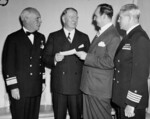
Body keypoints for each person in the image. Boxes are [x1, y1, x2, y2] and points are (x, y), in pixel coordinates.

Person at [42, 8, 90, 119]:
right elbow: (45, 58)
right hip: (59, 86)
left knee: (76, 116)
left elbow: (89, 61)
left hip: (77, 86)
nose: (75, 20)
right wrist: (54, 58)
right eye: (71, 17)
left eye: (76, 17)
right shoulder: (53, 36)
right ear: (64, 19)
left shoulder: (84, 37)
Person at [75, 3, 120, 119]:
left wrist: (87, 57)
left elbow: (110, 62)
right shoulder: (102, 33)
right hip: (90, 86)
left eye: (96, 16)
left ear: (104, 16)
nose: (94, 19)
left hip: (99, 89)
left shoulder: (113, 36)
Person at [2, 7, 46, 119]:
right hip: (20, 88)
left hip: (36, 87)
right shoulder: (13, 38)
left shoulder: (41, 37)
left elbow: (41, 62)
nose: (40, 21)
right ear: (25, 19)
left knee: (33, 116)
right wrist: (13, 87)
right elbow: (8, 64)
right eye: (37, 18)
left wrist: (43, 81)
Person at [112, 4, 150, 119]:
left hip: (131, 102)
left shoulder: (140, 38)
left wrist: (131, 103)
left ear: (129, 18)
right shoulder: (129, 36)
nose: (118, 20)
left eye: (120, 17)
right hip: (122, 98)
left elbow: (141, 74)